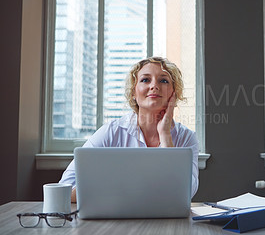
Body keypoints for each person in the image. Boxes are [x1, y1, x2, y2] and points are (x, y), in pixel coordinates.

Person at [59, 57, 199, 202]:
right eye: (145, 80)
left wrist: (165, 136)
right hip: (116, 217)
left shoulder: (187, 138)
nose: (154, 86)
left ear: (173, 93)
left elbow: (186, 192)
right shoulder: (112, 132)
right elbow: (64, 189)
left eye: (163, 81)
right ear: (133, 92)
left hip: (168, 221)